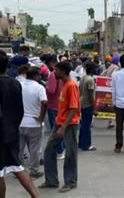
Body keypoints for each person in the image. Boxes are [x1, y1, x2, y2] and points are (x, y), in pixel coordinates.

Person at [0, 50, 39, 198]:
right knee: (17, 167)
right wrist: (13, 127)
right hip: (12, 131)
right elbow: (20, 111)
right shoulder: (16, 84)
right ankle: (36, 195)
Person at [40, 61, 80, 193]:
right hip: (59, 122)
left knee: (70, 154)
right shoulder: (64, 84)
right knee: (49, 150)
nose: (54, 72)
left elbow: (74, 109)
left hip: (69, 124)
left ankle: (70, 182)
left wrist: (64, 127)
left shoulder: (71, 85)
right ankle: (51, 180)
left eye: (56, 70)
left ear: (63, 71)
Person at [19, 67, 47, 179]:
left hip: (20, 122)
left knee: (19, 148)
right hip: (34, 123)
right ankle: (34, 171)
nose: (40, 77)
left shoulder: (19, 85)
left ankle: (19, 170)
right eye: (39, 75)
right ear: (35, 76)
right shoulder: (39, 87)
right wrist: (41, 117)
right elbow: (44, 102)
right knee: (34, 149)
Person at [45, 55, 65, 159]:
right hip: (60, 103)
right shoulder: (62, 74)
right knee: (60, 127)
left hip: (53, 104)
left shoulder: (53, 75)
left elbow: (51, 90)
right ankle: (62, 148)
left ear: (51, 63)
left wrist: (45, 86)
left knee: (56, 128)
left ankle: (60, 150)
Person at [79, 61, 97, 151]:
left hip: (82, 103)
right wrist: (94, 108)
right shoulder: (90, 80)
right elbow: (91, 95)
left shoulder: (83, 78)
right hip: (87, 104)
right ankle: (86, 144)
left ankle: (81, 143)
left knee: (83, 124)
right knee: (86, 125)